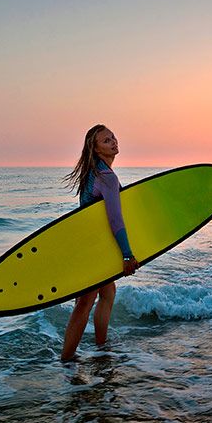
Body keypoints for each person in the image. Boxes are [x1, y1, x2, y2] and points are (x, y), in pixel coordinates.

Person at [60, 124, 139, 361]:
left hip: (89, 245)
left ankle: (101, 347)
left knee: (108, 293)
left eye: (113, 137)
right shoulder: (106, 177)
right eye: (106, 141)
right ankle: (66, 361)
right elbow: (115, 219)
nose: (114, 142)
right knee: (84, 303)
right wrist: (127, 254)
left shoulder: (93, 173)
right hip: (92, 250)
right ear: (95, 149)